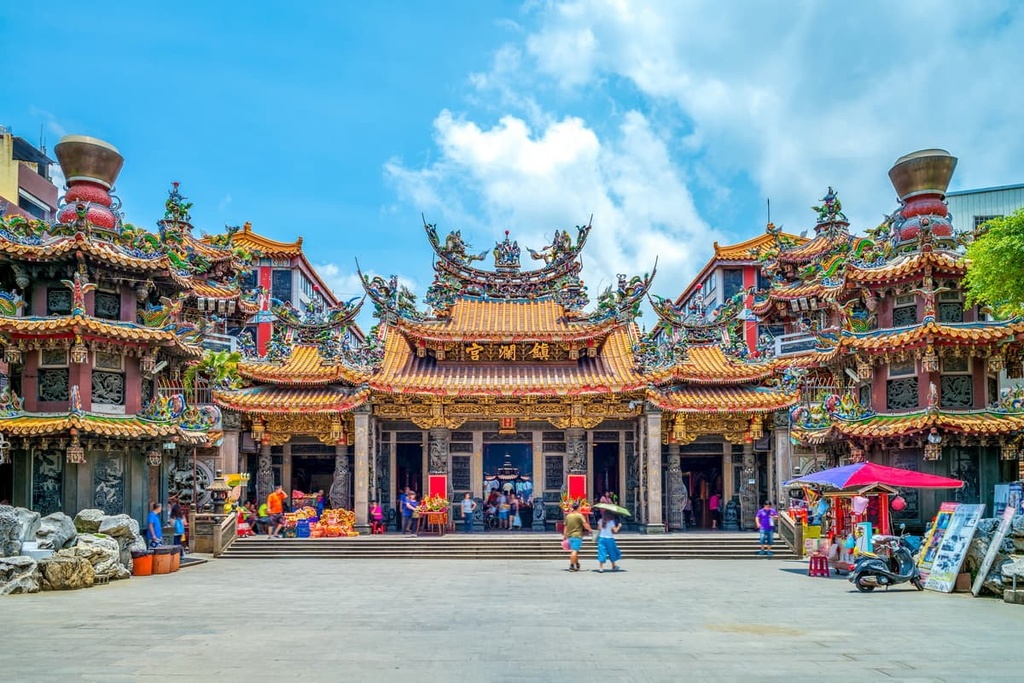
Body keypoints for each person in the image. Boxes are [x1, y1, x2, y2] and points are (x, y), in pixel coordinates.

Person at [562, 500, 592, 572]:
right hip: (577, 535)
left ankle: (577, 564)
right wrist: (590, 530)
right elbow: (585, 525)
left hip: (569, 536)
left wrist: (564, 535)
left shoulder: (568, 516)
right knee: (574, 551)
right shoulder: (579, 515)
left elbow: (565, 527)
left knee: (575, 551)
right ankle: (571, 566)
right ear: (578, 508)